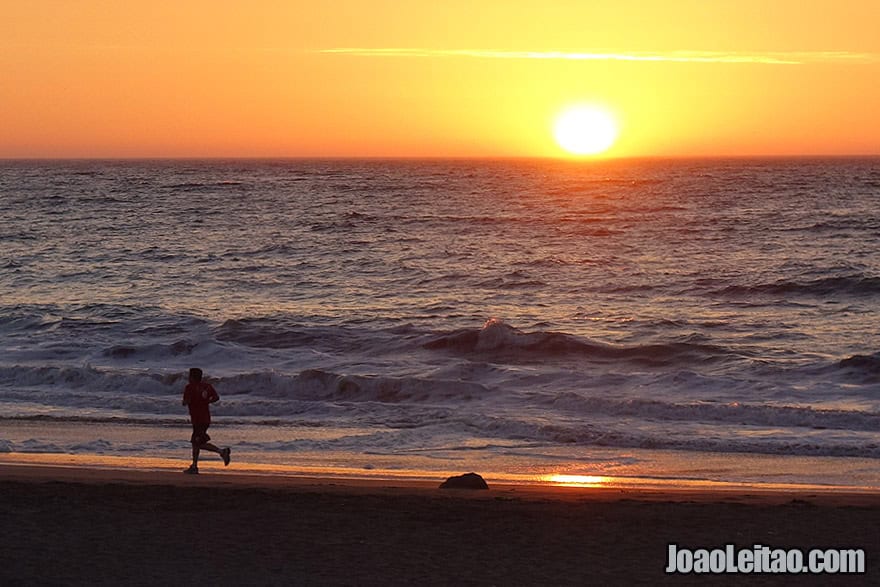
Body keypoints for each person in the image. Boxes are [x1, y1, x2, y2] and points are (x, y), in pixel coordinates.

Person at [182, 367, 230, 474]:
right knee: (195, 443)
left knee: (198, 443)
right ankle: (194, 466)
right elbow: (216, 397)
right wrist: (207, 401)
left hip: (197, 419)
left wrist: (188, 402)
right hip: (205, 418)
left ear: (192, 377)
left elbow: (186, 401)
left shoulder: (189, 387)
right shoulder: (207, 387)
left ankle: (222, 451)